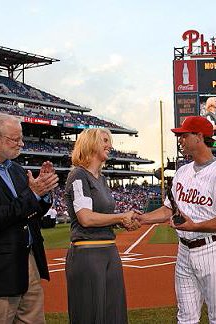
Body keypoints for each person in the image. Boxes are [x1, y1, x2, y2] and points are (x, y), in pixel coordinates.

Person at [135, 116, 216, 324]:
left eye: (184, 135)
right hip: (184, 252)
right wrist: (142, 218)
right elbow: (168, 209)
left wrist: (195, 226)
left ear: (199, 136)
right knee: (186, 317)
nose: (180, 140)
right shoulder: (182, 172)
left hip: (213, 251)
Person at [0, 112, 59, 323]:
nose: (21, 144)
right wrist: (33, 194)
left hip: (28, 263)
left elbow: (29, 212)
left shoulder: (16, 169)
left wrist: (43, 194)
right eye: (15, 139)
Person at [64, 128, 140, 324]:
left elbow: (103, 216)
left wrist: (122, 222)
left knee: (113, 313)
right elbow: (86, 218)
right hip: (88, 253)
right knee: (90, 314)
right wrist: (120, 217)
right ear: (90, 144)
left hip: (109, 252)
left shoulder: (103, 179)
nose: (110, 145)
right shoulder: (78, 176)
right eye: (105, 140)